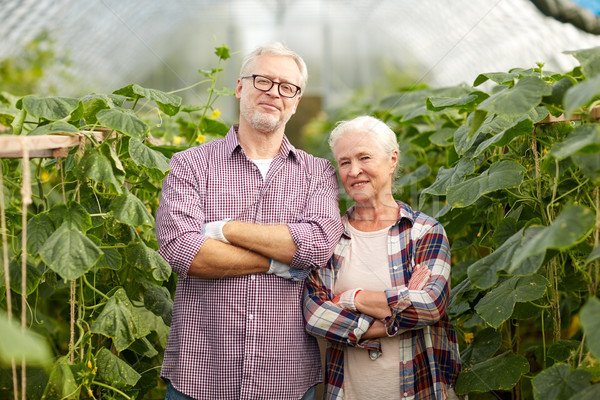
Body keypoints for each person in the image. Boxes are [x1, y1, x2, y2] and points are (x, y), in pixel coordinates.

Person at [155, 42, 344, 400]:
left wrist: (224, 230)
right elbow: (184, 252)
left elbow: (318, 245)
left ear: (296, 101)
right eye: (263, 81)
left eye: (287, 86)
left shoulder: (317, 173)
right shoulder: (190, 164)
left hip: (285, 375)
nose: (274, 92)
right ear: (240, 87)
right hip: (201, 372)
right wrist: (281, 261)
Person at [303, 115, 462, 399]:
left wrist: (354, 299)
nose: (354, 171)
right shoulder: (329, 237)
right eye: (344, 162)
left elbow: (429, 306)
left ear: (392, 160)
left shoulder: (424, 232)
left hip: (419, 390)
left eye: (364, 157)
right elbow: (316, 315)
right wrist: (396, 314)